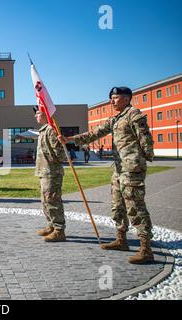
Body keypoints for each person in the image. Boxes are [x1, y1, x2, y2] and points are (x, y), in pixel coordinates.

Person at [59, 87, 155, 264]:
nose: (112, 101)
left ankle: (146, 249)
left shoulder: (134, 114)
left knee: (135, 207)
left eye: (115, 98)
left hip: (131, 169)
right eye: (111, 98)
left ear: (126, 99)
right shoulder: (115, 119)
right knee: (118, 207)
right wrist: (70, 139)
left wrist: (144, 158)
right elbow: (95, 133)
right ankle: (121, 240)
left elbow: (145, 138)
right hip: (118, 170)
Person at [34, 108, 68, 242]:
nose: (35, 116)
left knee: (53, 200)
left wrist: (55, 163)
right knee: (45, 200)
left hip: (52, 172)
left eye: (38, 113)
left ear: (46, 114)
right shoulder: (43, 130)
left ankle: (59, 230)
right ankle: (51, 225)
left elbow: (60, 153)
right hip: (44, 171)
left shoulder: (51, 130)